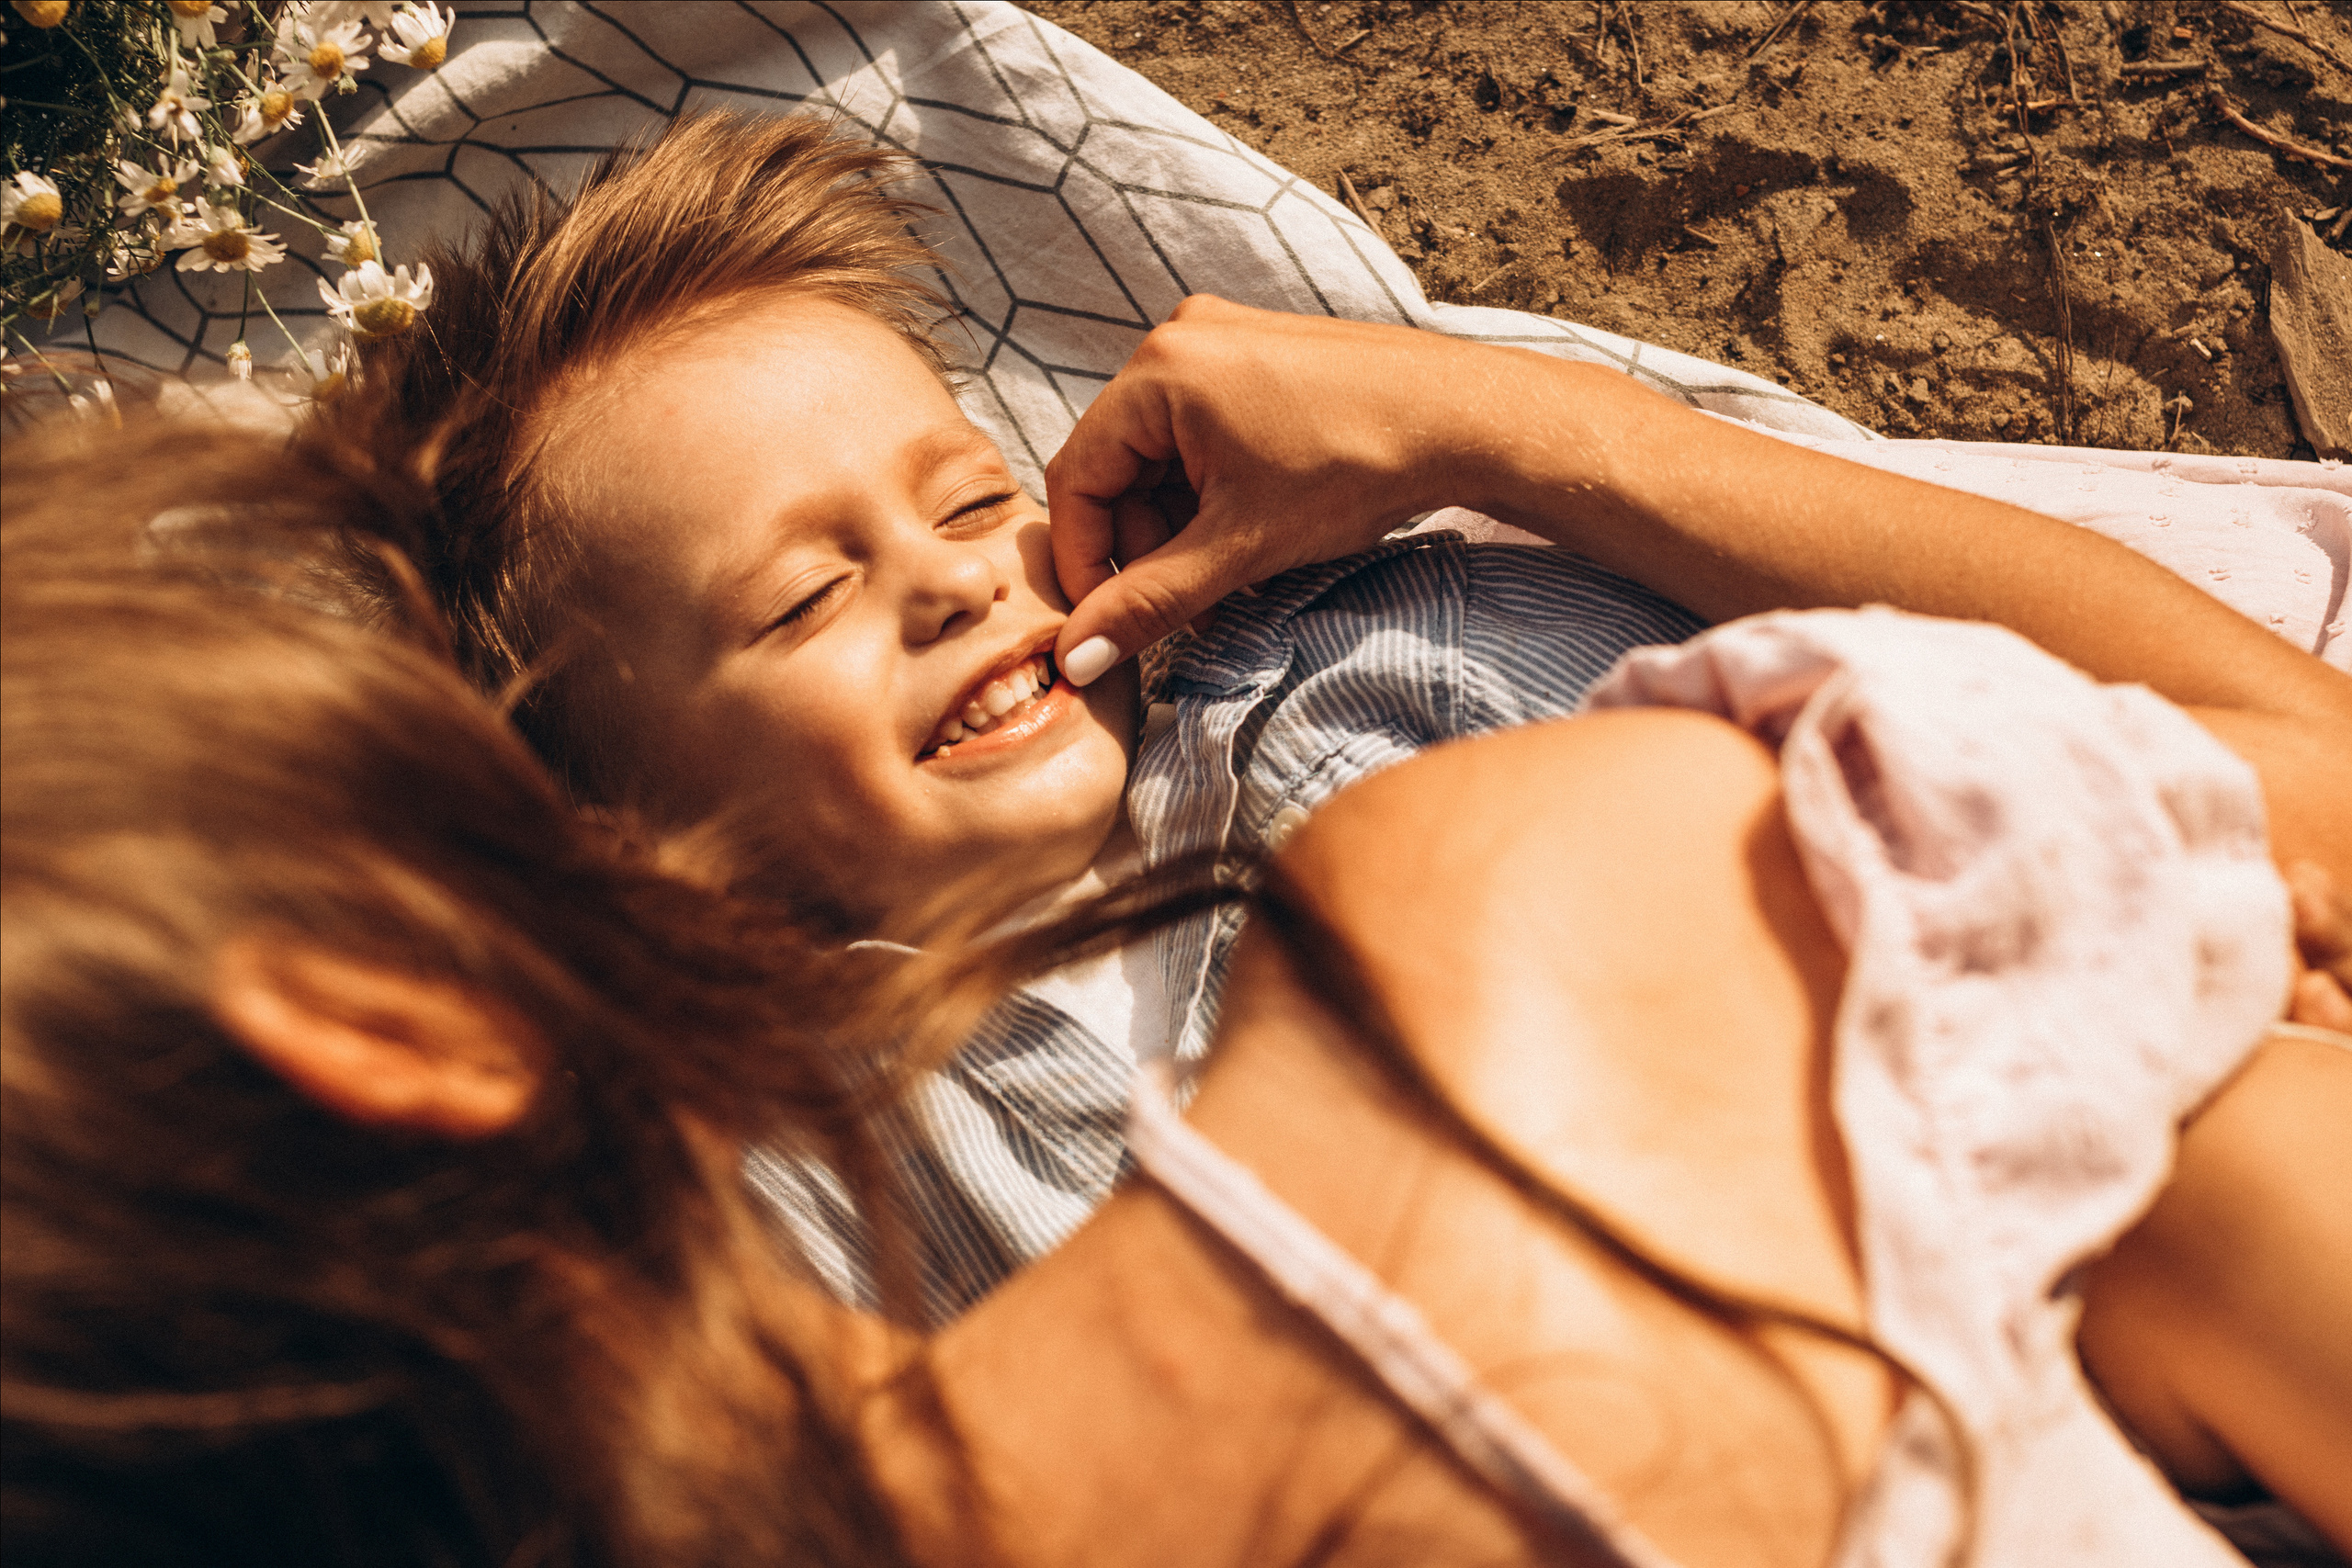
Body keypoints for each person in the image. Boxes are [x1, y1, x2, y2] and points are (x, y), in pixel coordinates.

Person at [6, 414, 2349, 1568]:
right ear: (403, 1018)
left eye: (959, 489)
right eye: (440, 795)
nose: (952, 587)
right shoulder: (1576, 923)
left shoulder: (1414, 717)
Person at [339, 107, 2352, 1325]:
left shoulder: (1384, 653)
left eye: (967, 496)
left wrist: (1498, 420)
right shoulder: (766, 1163)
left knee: (2253, 1159)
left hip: (2095, 1277)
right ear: (616, 816)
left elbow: (2292, 768)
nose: (955, 576)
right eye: (803, 595)